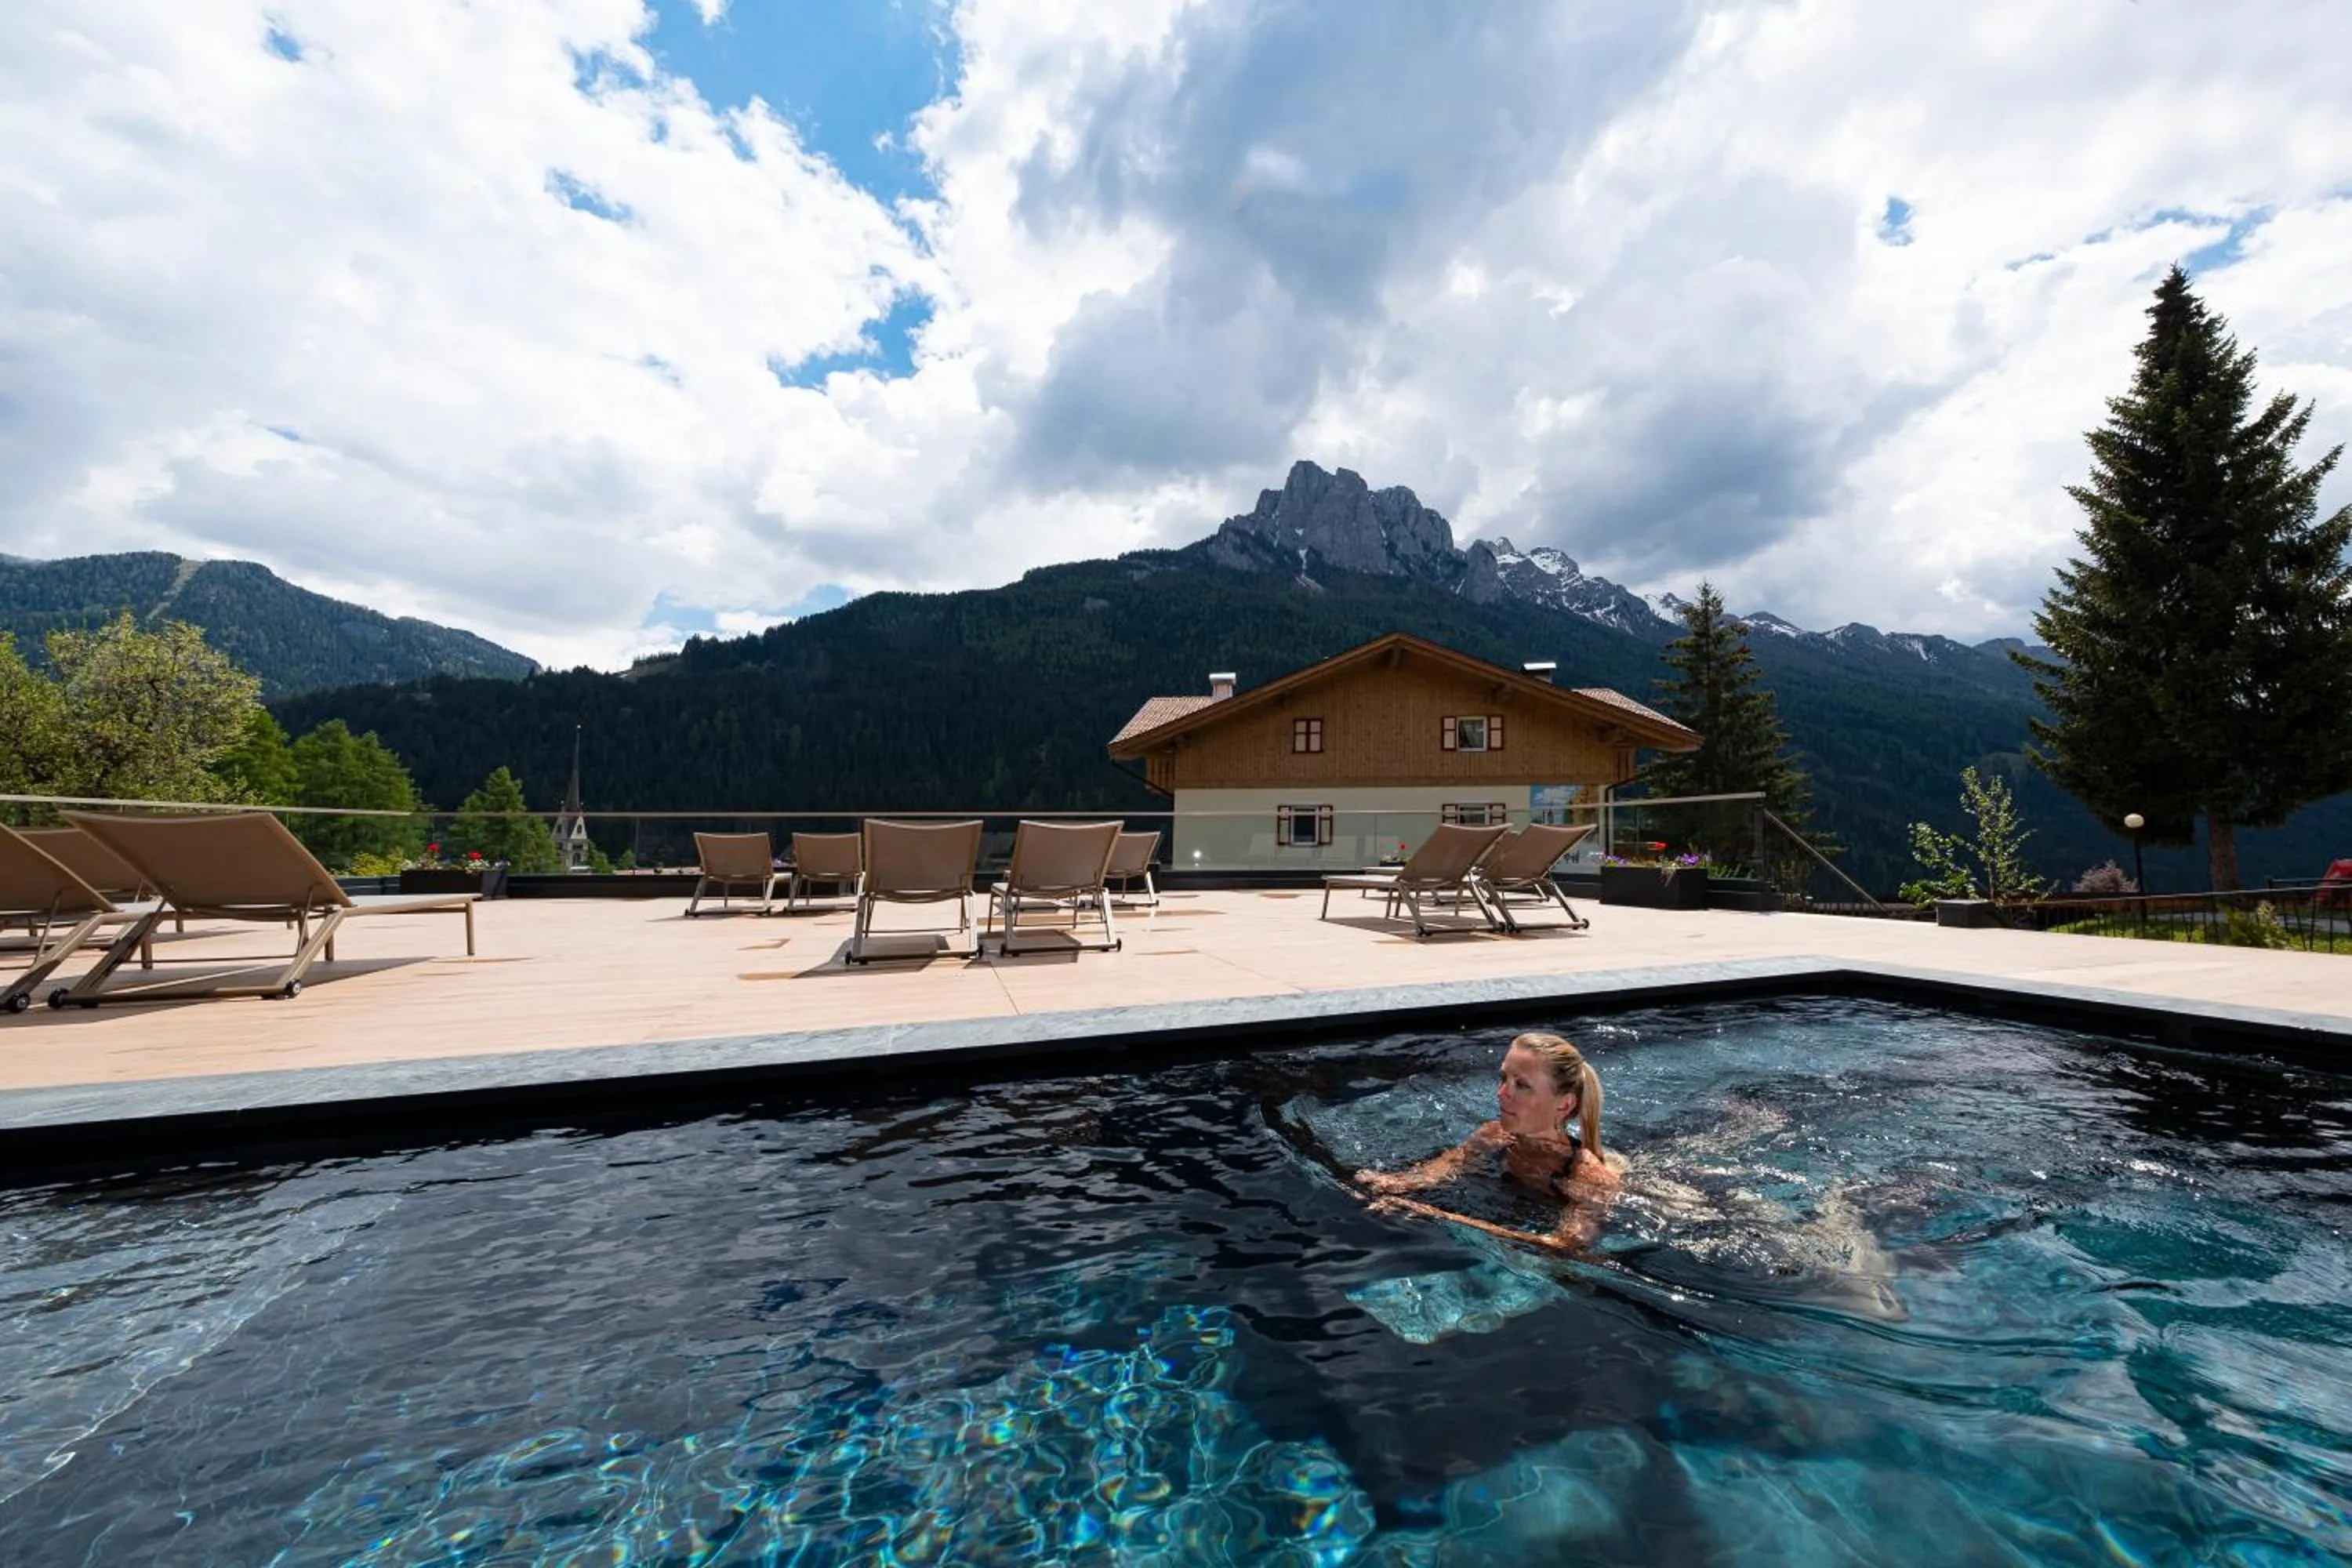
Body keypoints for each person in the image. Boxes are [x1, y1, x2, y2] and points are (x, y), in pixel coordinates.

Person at [1355, 1031, 1621, 1253]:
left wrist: (1437, 1216)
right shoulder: (1493, 1135)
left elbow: (1563, 1248)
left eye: (1522, 1085)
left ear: (1564, 1104)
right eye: (1503, 1079)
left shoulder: (1589, 1178)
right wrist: (1395, 1183)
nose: (1502, 1093)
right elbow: (1445, 1167)